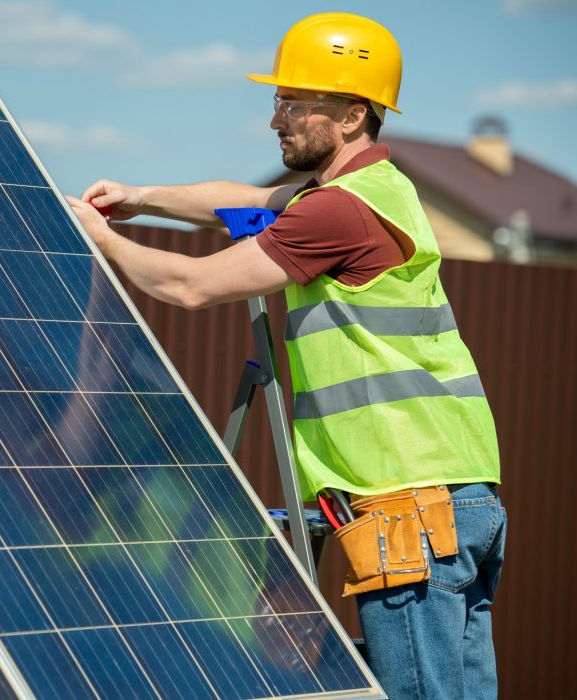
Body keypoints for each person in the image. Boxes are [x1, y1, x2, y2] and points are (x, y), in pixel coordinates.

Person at [67, 12, 506, 700]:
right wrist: (139, 198)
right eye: (278, 100)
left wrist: (100, 239)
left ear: (354, 113)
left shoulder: (338, 212)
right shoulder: (370, 192)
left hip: (408, 505)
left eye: (297, 103)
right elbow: (236, 202)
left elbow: (190, 286)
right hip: (457, 496)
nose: (278, 118)